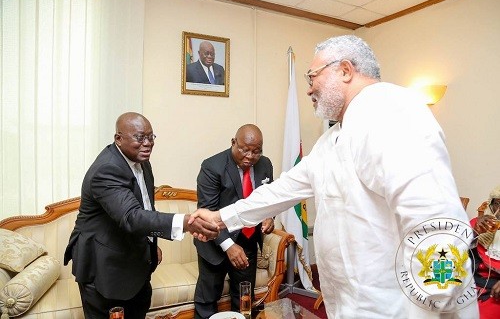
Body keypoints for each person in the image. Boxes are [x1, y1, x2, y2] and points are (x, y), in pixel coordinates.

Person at [189, 35, 479, 318]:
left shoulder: (391, 112)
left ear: (345, 70)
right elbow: (281, 191)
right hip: (351, 302)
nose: (308, 89)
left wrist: (439, 300)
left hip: (398, 305)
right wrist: (221, 218)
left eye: (312, 77)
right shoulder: (332, 139)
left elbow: (434, 220)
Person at [63, 112, 219, 319]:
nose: (147, 143)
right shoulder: (106, 169)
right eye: (140, 137)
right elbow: (131, 217)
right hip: (104, 268)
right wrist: (186, 222)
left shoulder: (142, 162)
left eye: (151, 137)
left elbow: (145, 206)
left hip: (134, 264)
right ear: (118, 138)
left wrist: (151, 245)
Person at [193, 124, 274, 319]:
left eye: (256, 151)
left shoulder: (265, 164)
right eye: (244, 149)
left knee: (244, 298)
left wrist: (269, 216)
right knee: (207, 300)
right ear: (233, 142)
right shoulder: (212, 167)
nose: (250, 156)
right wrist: (229, 246)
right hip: (215, 241)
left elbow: (269, 198)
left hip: (247, 240)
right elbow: (207, 214)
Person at [470, 185, 500, 319]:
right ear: (491, 205)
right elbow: (453, 253)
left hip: (495, 290)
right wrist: (474, 233)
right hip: (468, 283)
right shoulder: (478, 224)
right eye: (498, 204)